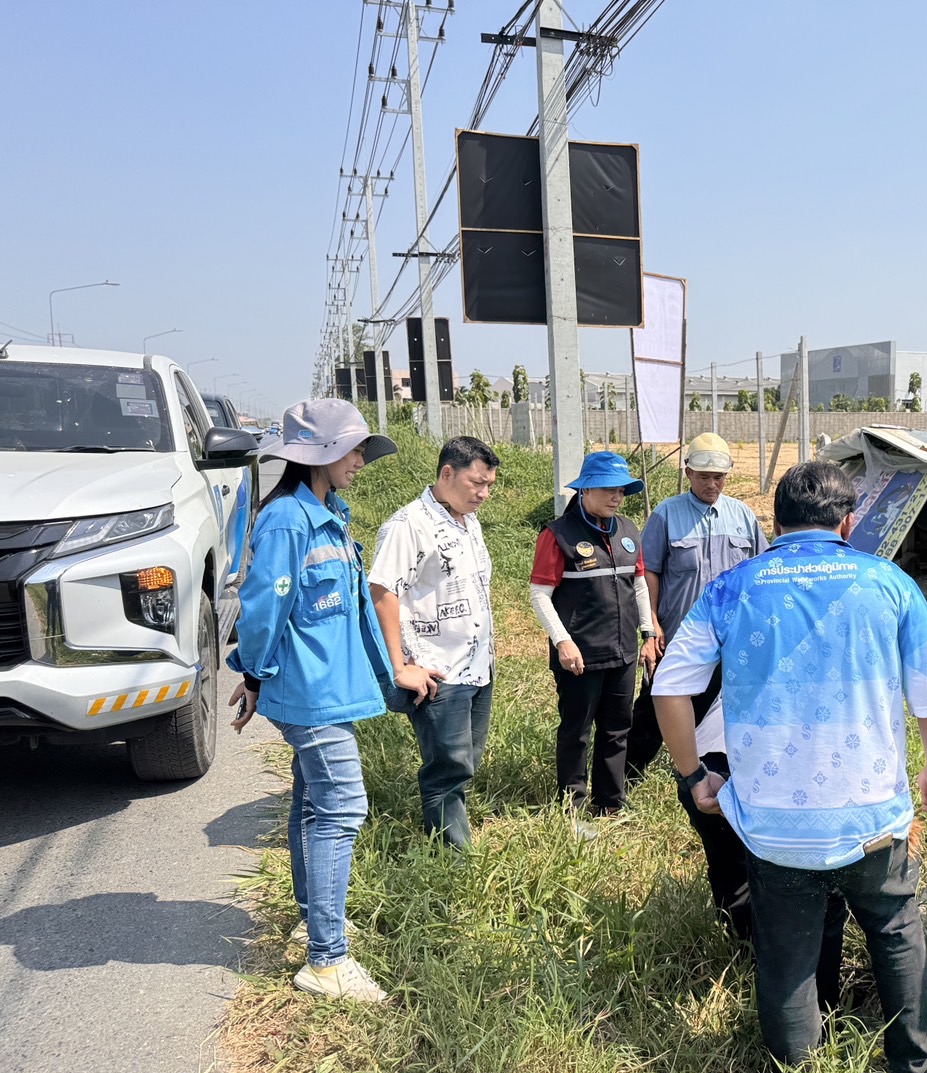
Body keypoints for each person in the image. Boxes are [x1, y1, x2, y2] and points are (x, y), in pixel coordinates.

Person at [652, 461, 927, 1073]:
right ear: (848, 522)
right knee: (896, 931)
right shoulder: (889, 583)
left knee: (787, 949)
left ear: (774, 522)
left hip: (771, 821)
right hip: (872, 813)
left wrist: (693, 778)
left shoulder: (735, 586)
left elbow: (669, 688)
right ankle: (912, 1071)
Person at [227, 398, 397, 1003]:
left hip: (328, 688)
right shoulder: (288, 521)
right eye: (351, 449)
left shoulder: (329, 512)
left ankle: (315, 914)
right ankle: (326, 960)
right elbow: (261, 611)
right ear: (318, 457)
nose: (359, 460)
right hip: (307, 692)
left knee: (311, 804)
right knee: (343, 808)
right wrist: (253, 676)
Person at [626, 432, 767, 936]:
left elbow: (757, 572)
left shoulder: (743, 517)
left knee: (722, 717)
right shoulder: (666, 514)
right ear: (687, 473)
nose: (712, 483)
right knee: (656, 709)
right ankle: (627, 780)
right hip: (682, 639)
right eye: (704, 475)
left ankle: (712, 776)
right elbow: (652, 573)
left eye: (720, 476)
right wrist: (654, 628)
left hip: (732, 644)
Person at [369, 436, 499, 849]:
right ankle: (453, 859)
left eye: (489, 485)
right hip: (437, 669)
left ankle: (450, 834)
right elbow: (382, 592)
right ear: (447, 473)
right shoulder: (409, 525)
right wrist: (400, 665)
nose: (483, 493)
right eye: (476, 483)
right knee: (447, 767)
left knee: (465, 761)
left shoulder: (466, 519)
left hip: (477, 665)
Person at [528, 451, 654, 819]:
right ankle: (572, 804)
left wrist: (647, 632)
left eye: (622, 490)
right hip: (580, 654)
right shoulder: (558, 535)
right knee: (577, 729)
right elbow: (539, 594)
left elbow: (640, 584)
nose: (617, 497)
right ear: (584, 490)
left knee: (618, 727)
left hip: (623, 650)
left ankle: (610, 804)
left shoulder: (628, 531)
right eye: (608, 489)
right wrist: (562, 641)